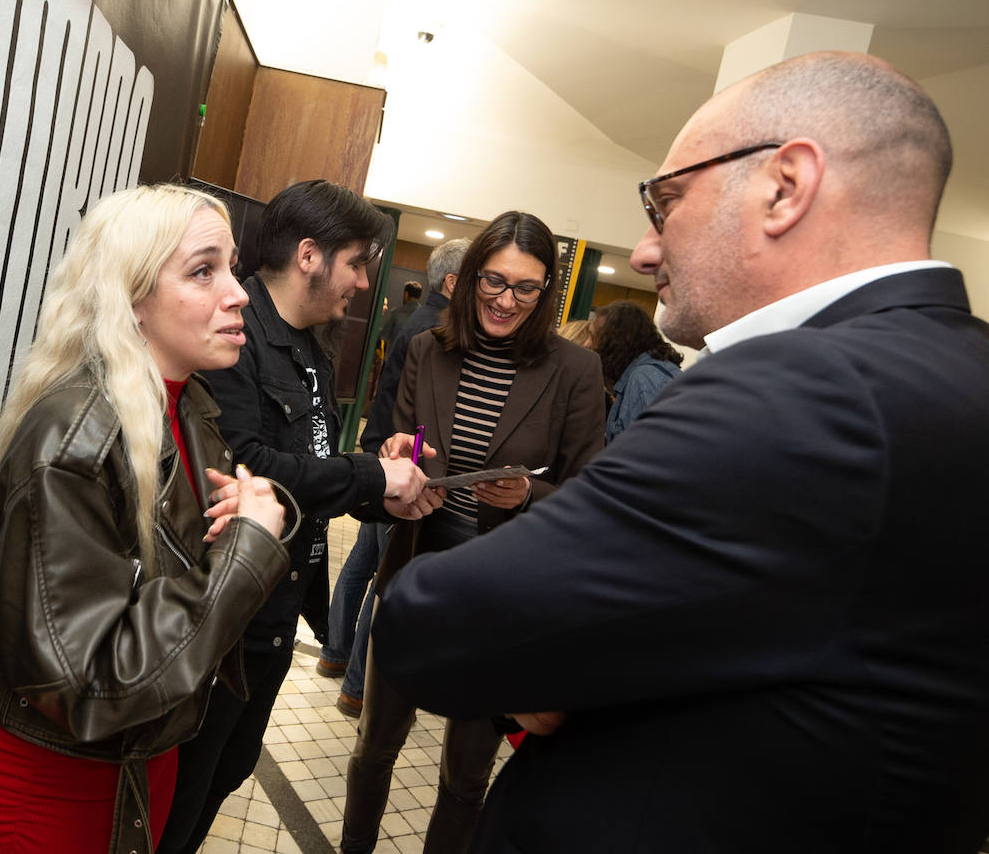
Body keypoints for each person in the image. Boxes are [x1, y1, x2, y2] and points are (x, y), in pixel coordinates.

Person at [373, 51, 989, 853]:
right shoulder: (962, 370)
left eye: (667, 202)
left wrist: (554, 670)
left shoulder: (799, 387)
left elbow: (434, 625)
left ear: (785, 187)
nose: (646, 251)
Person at [0, 184, 293, 854]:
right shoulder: (76, 438)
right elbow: (89, 686)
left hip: (136, 772)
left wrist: (250, 519)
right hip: (38, 798)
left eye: (232, 268)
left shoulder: (187, 407)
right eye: (203, 270)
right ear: (132, 299)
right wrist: (244, 554)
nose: (238, 293)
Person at [159, 179, 440, 854]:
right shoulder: (235, 337)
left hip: (278, 610)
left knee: (228, 772)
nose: (366, 283)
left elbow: (309, 464)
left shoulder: (314, 345)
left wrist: (385, 483)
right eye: (358, 263)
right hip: (227, 619)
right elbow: (249, 467)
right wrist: (371, 473)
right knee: (182, 794)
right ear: (310, 256)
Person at [341, 212, 605, 854]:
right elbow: (385, 445)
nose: (505, 300)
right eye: (494, 280)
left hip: (502, 605)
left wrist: (526, 495)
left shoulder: (573, 372)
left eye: (526, 288)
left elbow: (592, 496)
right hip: (414, 581)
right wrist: (395, 456)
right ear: (470, 275)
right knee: (374, 749)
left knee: (465, 779)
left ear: (548, 293)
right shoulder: (428, 348)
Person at [318, 237, 471, 722]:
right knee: (385, 579)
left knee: (362, 564)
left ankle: (334, 650)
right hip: (405, 467)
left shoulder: (406, 319)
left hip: (383, 453)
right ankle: (358, 686)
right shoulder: (441, 332)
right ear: (453, 282)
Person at [588, 300, 683, 441]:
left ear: (616, 343)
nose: (589, 344)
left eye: (594, 337)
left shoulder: (645, 379)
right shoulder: (651, 372)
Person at [376, 279, 423, 351]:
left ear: (406, 294)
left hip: (393, 358)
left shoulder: (396, 313)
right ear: (419, 296)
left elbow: (384, 337)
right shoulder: (424, 316)